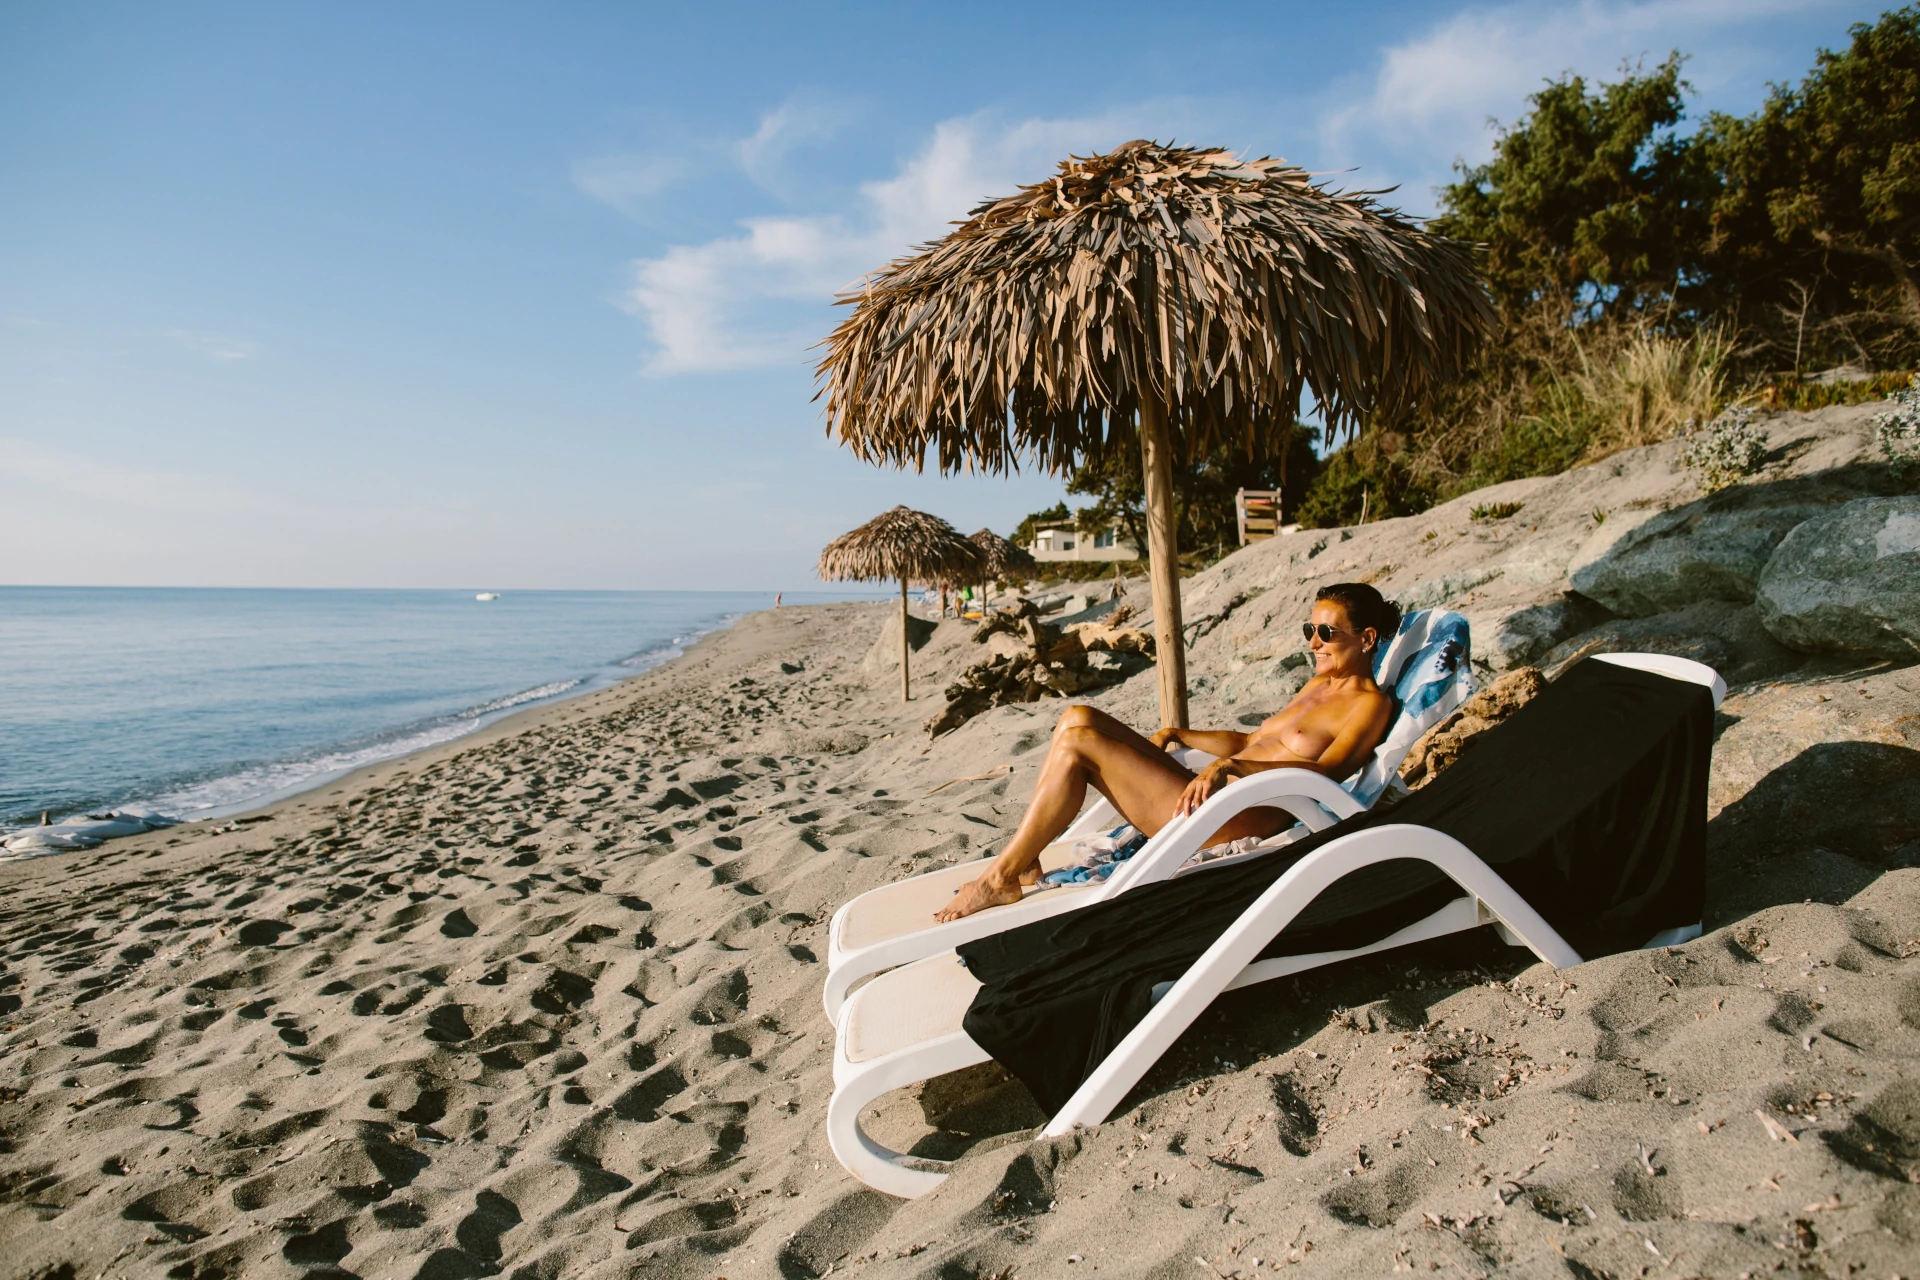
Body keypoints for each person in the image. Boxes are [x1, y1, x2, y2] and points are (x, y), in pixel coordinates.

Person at [933, 582, 1400, 922]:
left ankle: (1001, 879)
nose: (1314, 643)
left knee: (1079, 746)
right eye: (1309, 630)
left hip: (1242, 814)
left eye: (1327, 633)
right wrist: (1181, 734)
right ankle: (1027, 856)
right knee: (1078, 717)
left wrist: (1233, 768)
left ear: (1367, 638)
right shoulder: (1318, 684)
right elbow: (1247, 742)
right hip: (1218, 790)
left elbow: (1325, 772)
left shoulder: (1369, 704)